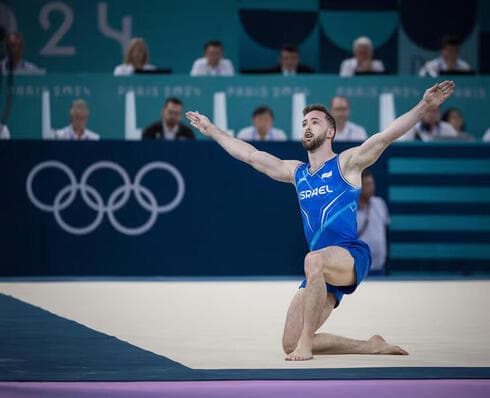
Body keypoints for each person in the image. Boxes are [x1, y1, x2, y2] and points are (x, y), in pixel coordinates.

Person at [187, 79, 455, 361]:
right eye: (304, 122)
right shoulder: (296, 173)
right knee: (289, 343)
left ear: (330, 131)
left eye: (314, 122)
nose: (307, 126)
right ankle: (370, 345)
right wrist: (212, 130)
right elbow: (251, 155)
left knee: (312, 260)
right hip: (320, 273)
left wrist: (424, 105)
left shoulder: (347, 163)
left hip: (350, 256)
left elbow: (387, 135)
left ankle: (307, 345)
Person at [357, 170, 389, 275]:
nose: (371, 187)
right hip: (359, 269)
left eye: (372, 184)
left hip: (379, 268)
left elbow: (385, 228)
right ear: (359, 187)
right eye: (367, 185)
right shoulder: (350, 211)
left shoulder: (379, 203)